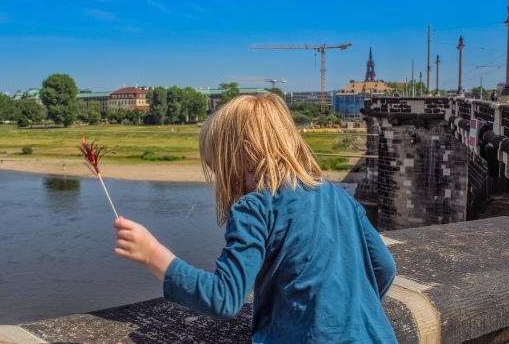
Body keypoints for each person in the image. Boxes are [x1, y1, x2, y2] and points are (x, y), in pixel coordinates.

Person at [114, 93, 398, 342]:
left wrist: (153, 255)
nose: (221, 180)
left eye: (219, 169)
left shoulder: (255, 207)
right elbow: (385, 268)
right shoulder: (339, 197)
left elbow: (223, 299)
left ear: (247, 155)